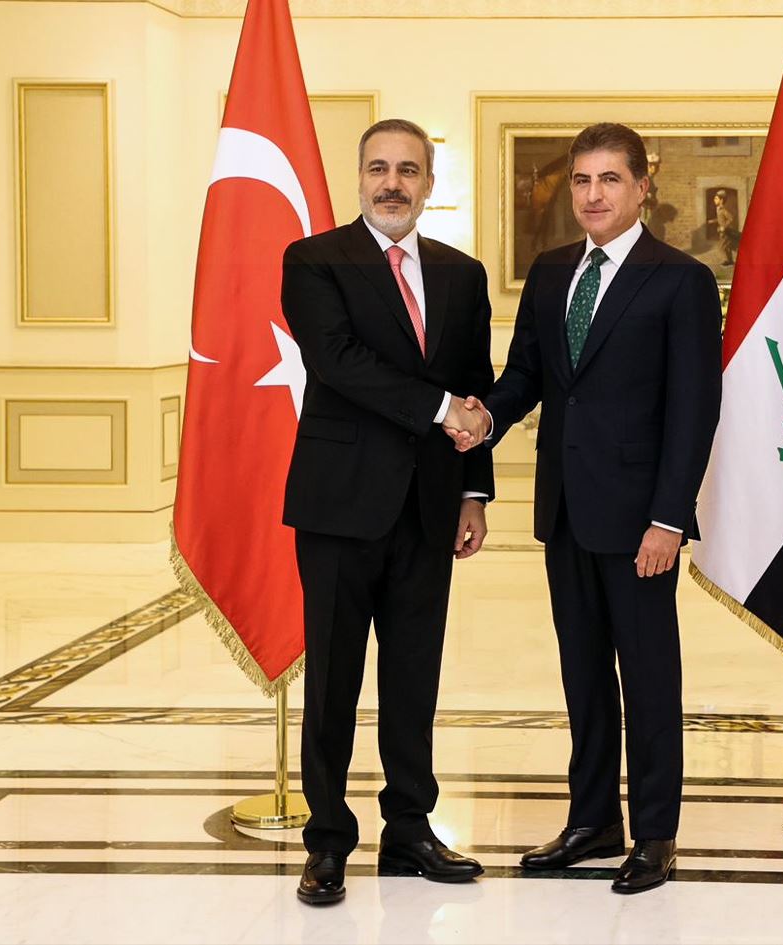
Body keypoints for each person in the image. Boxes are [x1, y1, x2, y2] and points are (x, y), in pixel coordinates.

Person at [451, 122, 722, 894]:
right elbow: (525, 376)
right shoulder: (550, 273)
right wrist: (482, 416)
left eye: (609, 179)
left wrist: (668, 518)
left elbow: (694, 409)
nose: (593, 194)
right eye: (581, 180)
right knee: (584, 674)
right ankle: (594, 818)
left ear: (643, 187)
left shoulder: (679, 280)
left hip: (640, 522)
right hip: (566, 511)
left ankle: (656, 833)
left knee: (648, 678)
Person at [280, 118, 495, 906]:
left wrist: (473, 490)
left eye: (408, 169)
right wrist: (441, 409)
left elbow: (475, 382)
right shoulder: (315, 260)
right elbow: (338, 362)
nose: (392, 183)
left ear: (430, 183)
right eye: (378, 168)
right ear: (360, 176)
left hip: (429, 507)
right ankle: (328, 840)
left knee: (413, 678)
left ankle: (409, 827)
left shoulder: (462, 274)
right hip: (339, 506)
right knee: (333, 682)